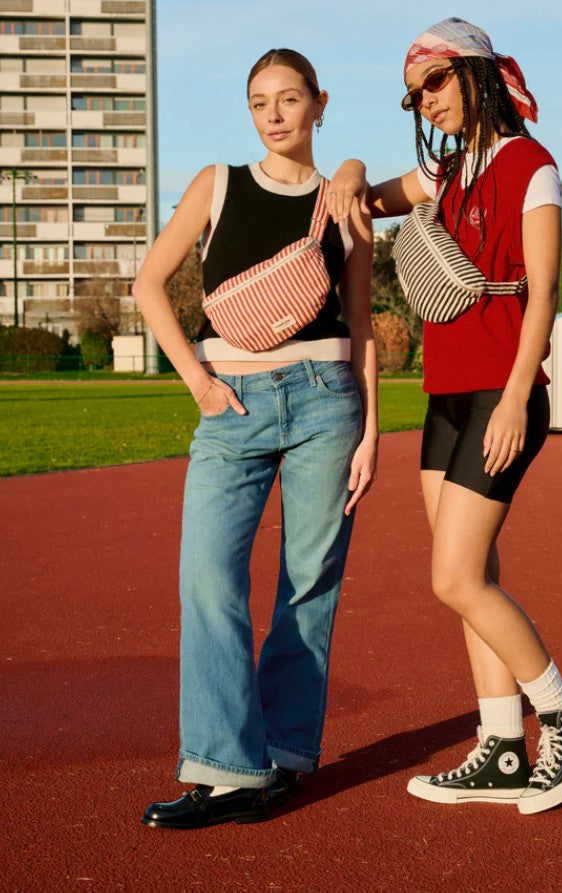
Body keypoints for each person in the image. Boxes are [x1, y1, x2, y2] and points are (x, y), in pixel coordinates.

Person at [328, 18, 562, 815]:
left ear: (477, 74)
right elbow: (372, 198)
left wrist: (519, 394)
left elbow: (544, 294)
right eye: (414, 94)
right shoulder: (443, 172)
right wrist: (348, 166)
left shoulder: (531, 167)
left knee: (451, 574)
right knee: (470, 579)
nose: (426, 102)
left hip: (501, 393)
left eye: (436, 83)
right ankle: (500, 746)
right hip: (445, 398)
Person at [132, 48, 378, 830]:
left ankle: (281, 759)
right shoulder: (217, 184)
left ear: (318, 102)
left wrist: (372, 430)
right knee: (207, 576)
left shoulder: (346, 204)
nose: (274, 114)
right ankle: (225, 765)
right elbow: (148, 284)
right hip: (227, 403)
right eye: (259, 101)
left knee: (309, 585)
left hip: (324, 402)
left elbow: (363, 324)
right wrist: (199, 384)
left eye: (289, 98)